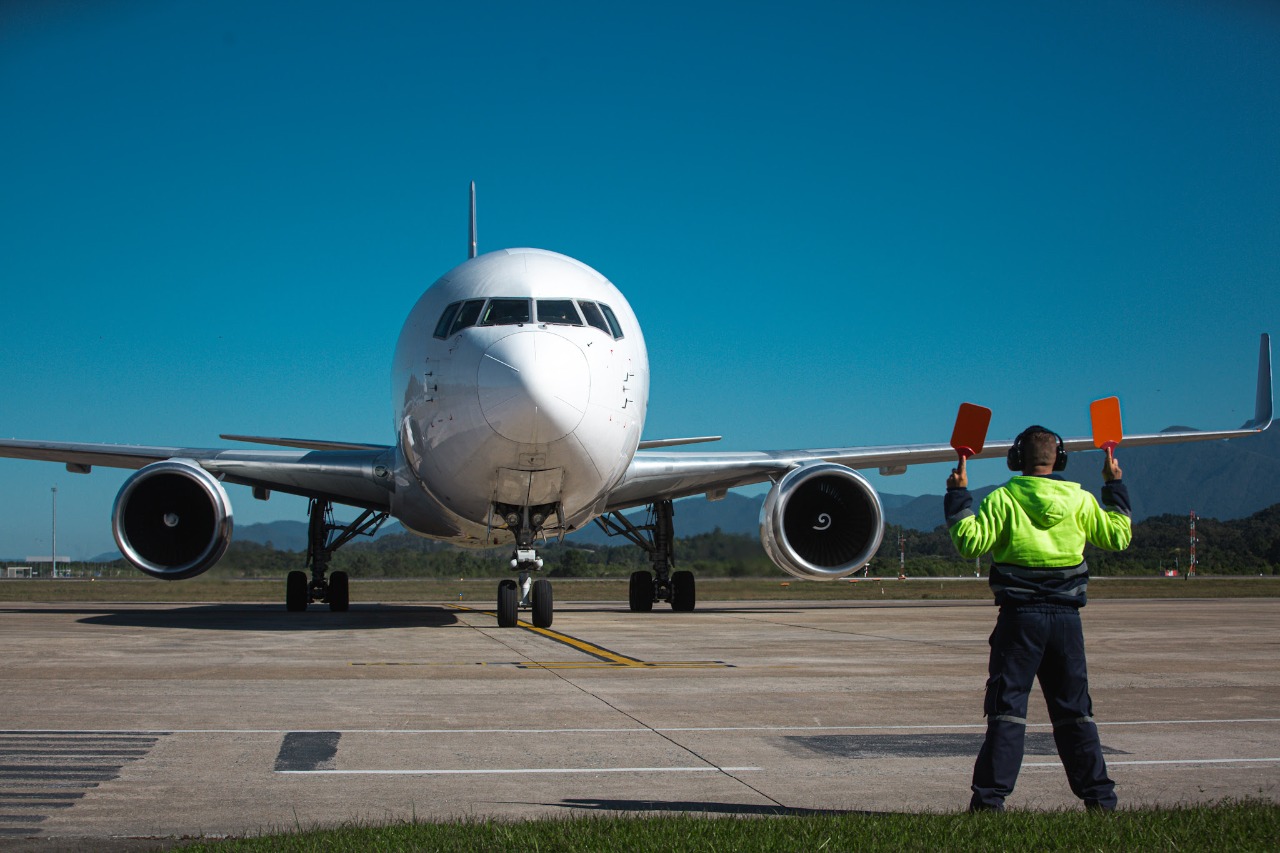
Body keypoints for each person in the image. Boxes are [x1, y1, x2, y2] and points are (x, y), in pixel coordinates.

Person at [944, 425, 1131, 812]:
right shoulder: (1079, 499)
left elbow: (969, 542)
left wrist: (958, 495)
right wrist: (1114, 487)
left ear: (1015, 460)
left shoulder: (1003, 499)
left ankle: (989, 803)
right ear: (1058, 459)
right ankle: (1100, 800)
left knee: (1007, 712)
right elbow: (1117, 537)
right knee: (1075, 712)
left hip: (1019, 620)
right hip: (1066, 621)